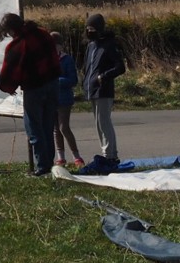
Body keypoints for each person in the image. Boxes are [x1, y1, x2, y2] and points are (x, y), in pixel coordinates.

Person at [0, 13, 60, 176]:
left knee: (34, 128)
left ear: (11, 30)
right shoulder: (43, 33)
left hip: (34, 89)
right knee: (47, 127)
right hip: (52, 84)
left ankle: (43, 166)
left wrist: (7, 87)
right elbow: (54, 57)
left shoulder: (17, 46)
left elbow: (9, 74)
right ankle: (49, 163)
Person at [82, 13, 126, 164]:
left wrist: (103, 76)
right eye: (87, 28)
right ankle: (106, 152)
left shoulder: (109, 44)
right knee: (98, 123)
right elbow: (87, 67)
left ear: (99, 28)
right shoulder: (91, 46)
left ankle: (110, 155)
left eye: (92, 28)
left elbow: (120, 67)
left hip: (103, 90)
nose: (89, 31)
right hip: (92, 89)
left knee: (104, 122)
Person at [50, 31, 85, 168]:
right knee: (55, 130)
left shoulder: (67, 59)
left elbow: (73, 80)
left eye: (54, 46)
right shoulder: (47, 60)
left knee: (63, 127)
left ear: (60, 46)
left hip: (64, 99)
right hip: (51, 99)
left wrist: (56, 81)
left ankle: (77, 156)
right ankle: (61, 157)